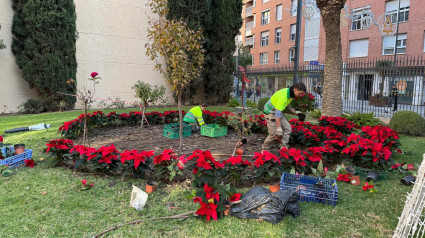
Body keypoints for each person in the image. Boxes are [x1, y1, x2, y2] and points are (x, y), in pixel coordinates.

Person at [261, 82, 306, 151]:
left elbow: (286, 104)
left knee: (287, 128)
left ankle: (283, 146)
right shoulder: (284, 95)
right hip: (269, 112)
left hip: (277, 110)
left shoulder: (290, 94)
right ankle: (264, 148)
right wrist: (279, 128)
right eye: (300, 93)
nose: (300, 95)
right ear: (295, 90)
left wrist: (295, 112)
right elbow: (278, 112)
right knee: (274, 134)